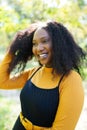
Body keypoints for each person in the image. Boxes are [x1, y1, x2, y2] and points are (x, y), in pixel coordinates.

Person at [0, 21, 86, 130]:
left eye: (44, 41)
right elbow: (2, 82)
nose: (38, 48)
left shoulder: (70, 79)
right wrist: (12, 50)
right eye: (34, 44)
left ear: (58, 43)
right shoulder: (34, 72)